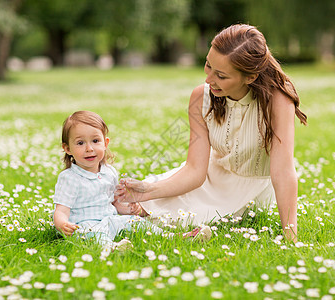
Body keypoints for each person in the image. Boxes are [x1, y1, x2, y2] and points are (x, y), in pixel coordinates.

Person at [115, 24, 307, 241]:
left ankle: (173, 234)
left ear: (250, 77)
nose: (208, 79)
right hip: (209, 177)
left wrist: (291, 238)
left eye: (221, 76)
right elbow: (195, 170)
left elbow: (282, 173)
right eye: (208, 65)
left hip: (248, 190)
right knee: (127, 202)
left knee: (185, 215)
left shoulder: (278, 101)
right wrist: (148, 191)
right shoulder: (201, 97)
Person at [53, 111, 210, 249]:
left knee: (136, 222)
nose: (89, 148)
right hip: (85, 224)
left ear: (105, 143)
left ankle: (173, 237)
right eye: (80, 143)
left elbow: (114, 202)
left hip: (110, 220)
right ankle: (111, 248)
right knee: (93, 235)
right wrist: (62, 224)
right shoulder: (69, 178)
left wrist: (128, 209)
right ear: (67, 149)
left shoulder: (109, 172)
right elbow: (61, 210)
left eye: (95, 141)